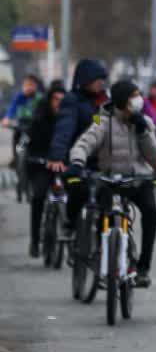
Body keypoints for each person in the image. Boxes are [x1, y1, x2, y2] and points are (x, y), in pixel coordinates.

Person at [68, 80, 156, 288]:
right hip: (110, 180)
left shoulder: (145, 122)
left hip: (138, 181)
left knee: (151, 214)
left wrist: (144, 132)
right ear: (122, 100)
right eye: (134, 96)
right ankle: (102, 259)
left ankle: (143, 268)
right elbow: (85, 143)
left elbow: (155, 158)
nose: (139, 100)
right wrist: (77, 161)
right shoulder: (103, 121)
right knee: (104, 218)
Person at [48, 59, 109, 237]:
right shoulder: (72, 101)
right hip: (76, 160)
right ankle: (71, 224)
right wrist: (57, 156)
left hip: (99, 161)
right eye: (97, 78)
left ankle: (102, 238)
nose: (101, 82)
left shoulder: (101, 101)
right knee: (78, 190)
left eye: (103, 79)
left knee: (106, 194)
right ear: (85, 78)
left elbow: (101, 127)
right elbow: (64, 130)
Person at [22, 80, 66, 257]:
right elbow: (32, 137)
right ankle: (34, 240)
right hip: (41, 163)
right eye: (55, 99)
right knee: (38, 196)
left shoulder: (69, 116)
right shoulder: (40, 114)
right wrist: (38, 158)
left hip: (63, 164)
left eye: (62, 100)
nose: (58, 103)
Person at [4, 73, 42, 164]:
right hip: (22, 123)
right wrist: (7, 118)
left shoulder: (40, 98)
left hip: (35, 125)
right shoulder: (19, 96)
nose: (28, 87)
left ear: (36, 86)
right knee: (16, 137)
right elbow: (12, 108)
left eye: (31, 85)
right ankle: (16, 157)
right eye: (26, 85)